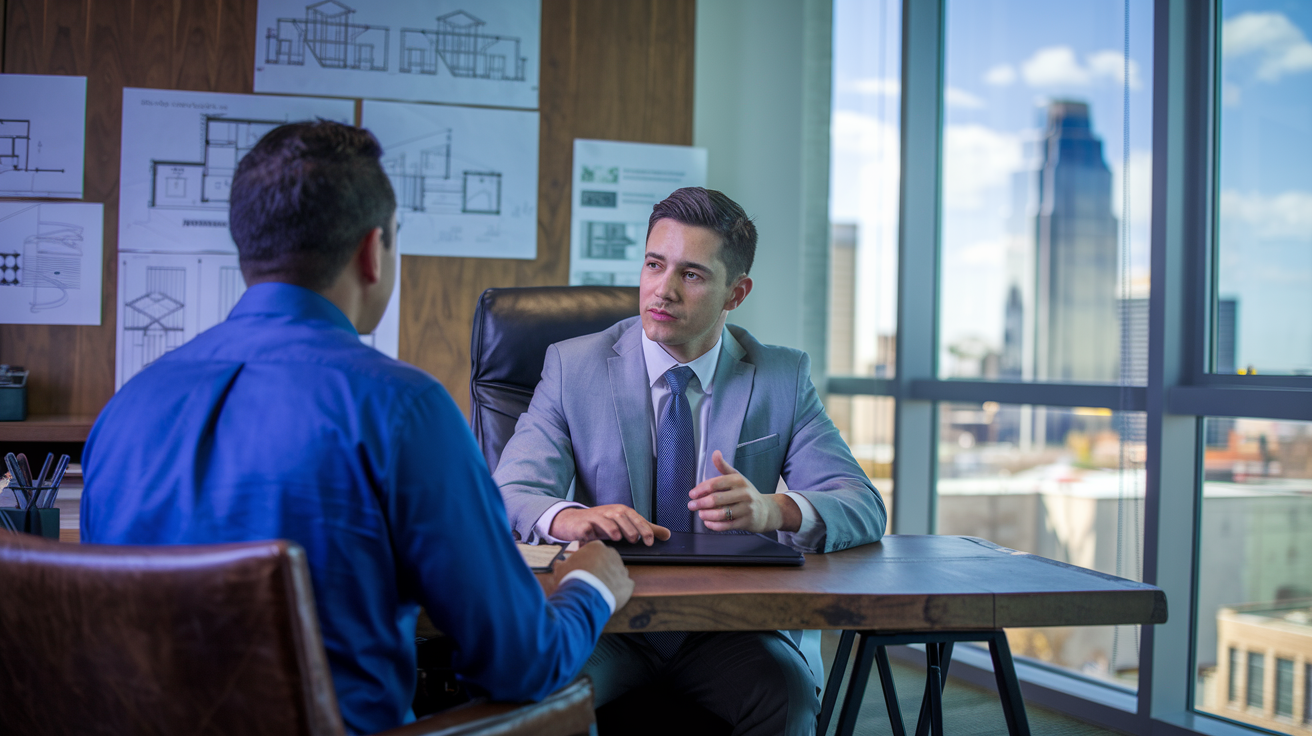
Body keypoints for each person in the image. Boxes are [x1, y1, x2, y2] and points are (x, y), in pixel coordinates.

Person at [81, 121, 633, 736]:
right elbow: (522, 664)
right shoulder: (402, 408)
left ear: (248, 247)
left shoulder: (123, 410)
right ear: (374, 251)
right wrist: (590, 585)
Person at [495, 187, 888, 735]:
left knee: (786, 698)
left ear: (736, 293)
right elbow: (509, 489)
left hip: (728, 630)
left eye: (693, 275)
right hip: (610, 622)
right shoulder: (572, 366)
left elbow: (864, 506)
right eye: (655, 265)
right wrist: (569, 518)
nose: (663, 289)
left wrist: (774, 510)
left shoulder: (781, 376)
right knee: (536, 694)